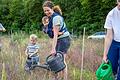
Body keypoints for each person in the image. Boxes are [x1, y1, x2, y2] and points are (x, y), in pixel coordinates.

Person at [42, 1, 71, 80]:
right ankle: (58, 77)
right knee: (57, 60)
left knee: (61, 60)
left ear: (52, 9)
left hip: (63, 40)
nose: (46, 12)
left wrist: (53, 49)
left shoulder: (56, 18)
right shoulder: (51, 18)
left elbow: (55, 35)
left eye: (48, 10)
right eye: (45, 11)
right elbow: (51, 33)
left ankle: (64, 78)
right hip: (60, 39)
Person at [103, 0, 120, 79]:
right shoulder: (111, 14)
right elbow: (109, 35)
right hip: (115, 42)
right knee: (111, 65)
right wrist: (105, 54)